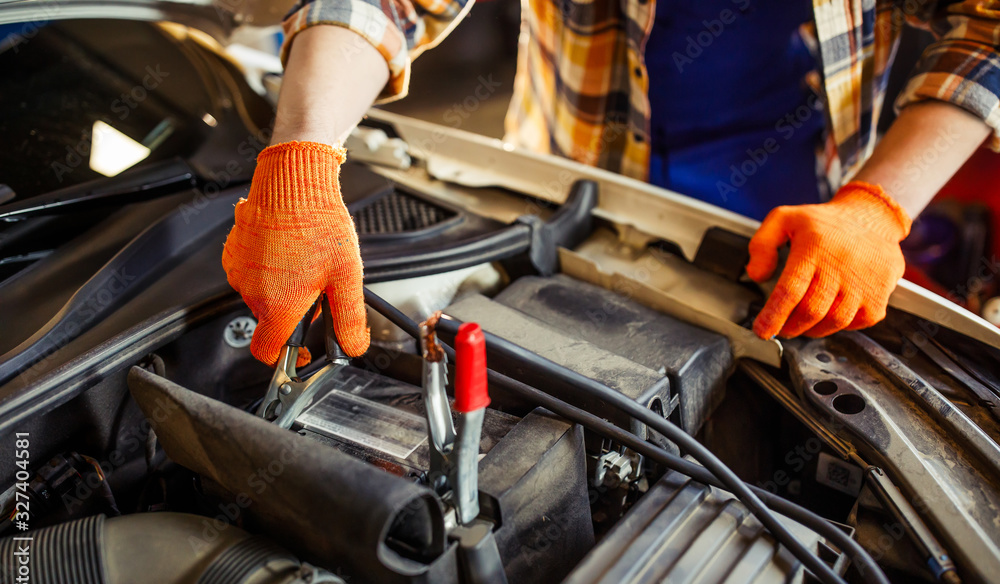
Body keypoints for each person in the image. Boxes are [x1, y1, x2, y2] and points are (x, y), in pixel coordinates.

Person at [222, 0, 1000, 366]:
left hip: (802, 196)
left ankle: (912, 224)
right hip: (581, 169)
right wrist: (303, 150)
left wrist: (882, 203)